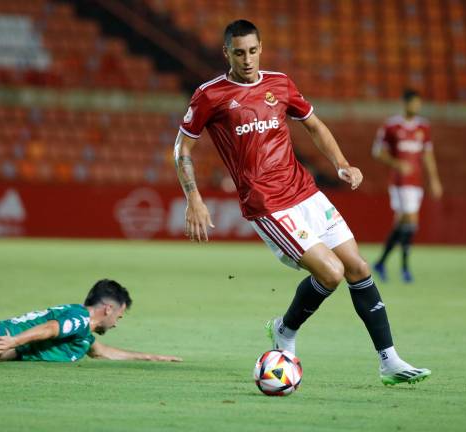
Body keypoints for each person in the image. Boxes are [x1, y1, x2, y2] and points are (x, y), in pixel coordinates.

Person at [174, 19, 430, 385]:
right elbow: (183, 147)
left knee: (357, 267)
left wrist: (341, 164)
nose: (247, 59)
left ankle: (389, 361)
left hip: (305, 192)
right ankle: (285, 330)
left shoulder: (279, 83)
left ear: (261, 48)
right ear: (226, 52)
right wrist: (193, 197)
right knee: (331, 273)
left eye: (252, 51)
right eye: (238, 52)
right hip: (268, 204)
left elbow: (314, 125)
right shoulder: (210, 95)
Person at [0, 279, 182, 363]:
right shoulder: (80, 318)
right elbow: (51, 329)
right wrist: (14, 341)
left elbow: (101, 352)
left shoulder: (82, 333)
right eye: (118, 317)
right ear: (108, 309)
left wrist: (151, 357)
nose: (116, 324)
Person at [371, 89, 443, 283]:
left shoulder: (423, 127)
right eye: (414, 103)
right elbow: (377, 151)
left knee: (403, 224)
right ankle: (404, 268)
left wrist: (434, 180)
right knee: (410, 221)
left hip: (416, 182)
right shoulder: (392, 125)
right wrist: (397, 164)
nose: (417, 107)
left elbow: (428, 155)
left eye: (419, 103)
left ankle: (381, 262)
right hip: (399, 182)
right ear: (405, 103)